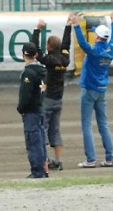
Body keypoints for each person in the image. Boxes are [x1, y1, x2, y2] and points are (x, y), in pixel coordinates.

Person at [73, 13, 113, 168]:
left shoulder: (94, 51)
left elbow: (83, 44)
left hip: (89, 89)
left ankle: (91, 159)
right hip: (102, 89)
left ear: (98, 36)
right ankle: (109, 157)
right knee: (103, 124)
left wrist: (76, 25)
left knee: (86, 124)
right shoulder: (111, 49)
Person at [34, 17, 72, 172]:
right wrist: (68, 26)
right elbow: (66, 43)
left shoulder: (49, 60)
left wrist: (37, 30)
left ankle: (45, 159)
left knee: (42, 128)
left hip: (48, 98)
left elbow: (35, 49)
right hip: (59, 99)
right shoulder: (65, 59)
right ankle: (58, 160)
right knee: (55, 129)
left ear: (49, 46)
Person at [17, 38, 48, 178]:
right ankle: (43, 169)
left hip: (31, 111)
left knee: (33, 141)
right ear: (36, 55)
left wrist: (20, 108)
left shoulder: (28, 73)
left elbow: (26, 94)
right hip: (40, 107)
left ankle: (37, 171)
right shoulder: (43, 70)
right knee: (40, 141)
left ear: (23, 54)